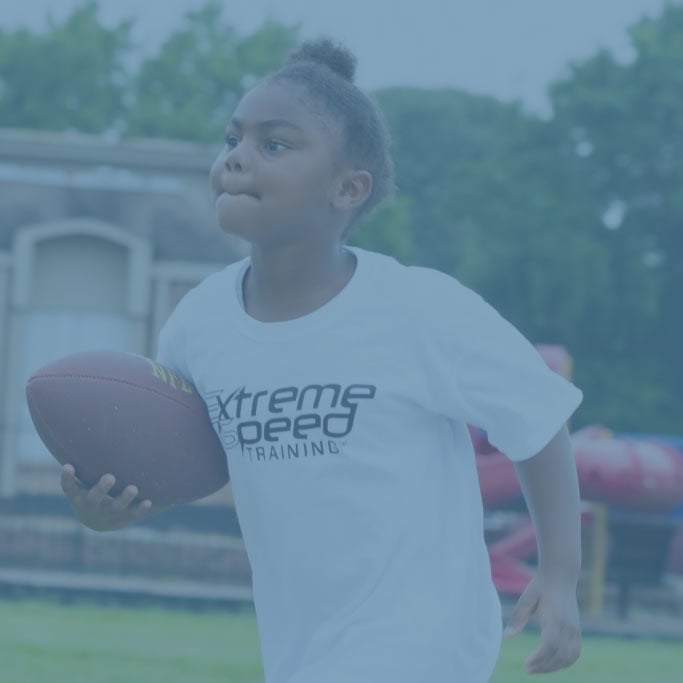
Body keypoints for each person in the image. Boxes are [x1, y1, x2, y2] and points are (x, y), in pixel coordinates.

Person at [60, 39, 583, 683]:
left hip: (422, 637)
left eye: (273, 145)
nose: (237, 159)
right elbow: (186, 460)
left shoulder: (418, 308)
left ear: (347, 187)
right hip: (300, 644)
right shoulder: (199, 324)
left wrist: (559, 576)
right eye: (233, 139)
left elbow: (538, 421)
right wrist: (112, 506)